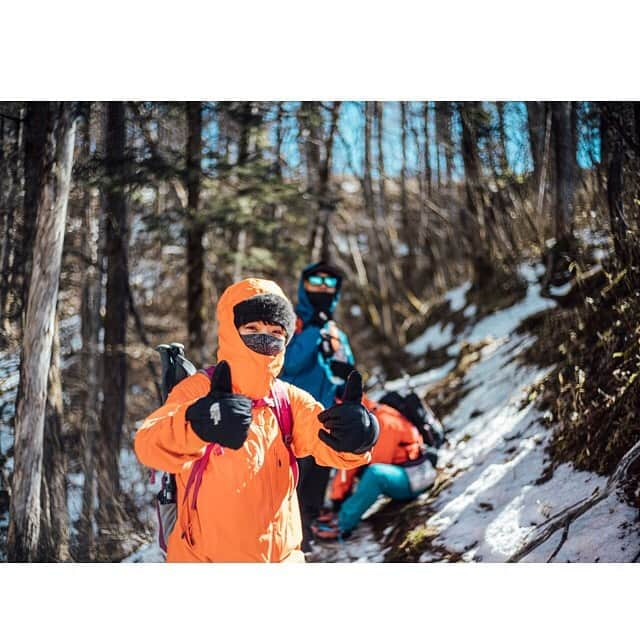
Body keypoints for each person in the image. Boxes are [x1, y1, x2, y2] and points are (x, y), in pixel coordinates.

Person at [134, 277, 378, 562]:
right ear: (230, 330)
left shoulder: (289, 399)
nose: (265, 339)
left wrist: (357, 436)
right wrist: (196, 423)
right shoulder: (198, 390)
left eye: (276, 332)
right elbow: (149, 444)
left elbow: (325, 439)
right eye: (251, 328)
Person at [279, 262, 356, 551]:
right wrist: (312, 332)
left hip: (327, 421)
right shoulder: (292, 323)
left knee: (316, 487)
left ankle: (306, 543)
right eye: (316, 281)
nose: (323, 288)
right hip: (293, 421)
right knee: (293, 487)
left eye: (329, 283)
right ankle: (289, 546)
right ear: (304, 285)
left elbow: (345, 368)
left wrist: (346, 374)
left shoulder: (335, 330)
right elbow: (286, 363)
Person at [311, 394, 437, 541]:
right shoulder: (365, 420)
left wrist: (341, 503)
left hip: (416, 477)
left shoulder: (383, 423)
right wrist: (337, 501)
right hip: (404, 472)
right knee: (364, 467)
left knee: (374, 474)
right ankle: (341, 514)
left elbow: (371, 465)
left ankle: (342, 525)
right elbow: (349, 465)